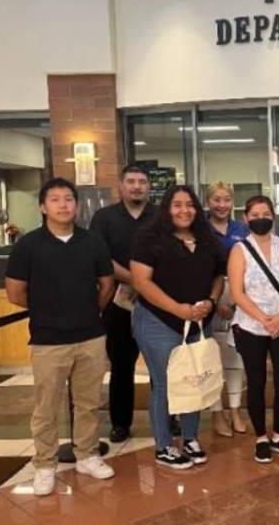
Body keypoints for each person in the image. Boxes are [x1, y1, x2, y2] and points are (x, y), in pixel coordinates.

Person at [5, 177, 116, 496]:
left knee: (89, 402)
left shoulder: (92, 241)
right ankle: (44, 464)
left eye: (68, 199)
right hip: (47, 340)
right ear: (43, 206)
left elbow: (107, 284)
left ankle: (87, 455)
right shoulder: (29, 245)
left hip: (90, 336)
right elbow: (15, 292)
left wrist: (88, 310)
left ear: (76, 205)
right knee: (46, 406)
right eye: (55, 199)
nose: (63, 204)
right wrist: (48, 310)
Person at [131, 185, 225, 469]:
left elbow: (218, 276)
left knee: (193, 378)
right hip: (159, 322)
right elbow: (141, 282)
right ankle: (163, 445)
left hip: (198, 322)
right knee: (164, 384)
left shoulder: (207, 239)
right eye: (177, 205)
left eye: (189, 205)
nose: (184, 210)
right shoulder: (149, 239)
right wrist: (177, 310)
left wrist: (211, 300)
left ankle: (190, 438)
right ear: (166, 209)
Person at [228, 195, 279, 463]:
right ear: (246, 218)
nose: (261, 218)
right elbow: (237, 293)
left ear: (274, 216)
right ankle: (260, 437)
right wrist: (264, 319)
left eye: (266, 213)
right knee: (256, 381)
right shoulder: (239, 250)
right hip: (250, 325)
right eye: (255, 214)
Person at [90, 164, 155, 443]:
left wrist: (147, 286)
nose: (137, 186)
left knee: (162, 365)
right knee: (121, 365)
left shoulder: (161, 217)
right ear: (121, 186)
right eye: (131, 181)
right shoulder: (104, 218)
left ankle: (169, 419)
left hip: (157, 303)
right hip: (118, 303)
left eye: (142, 182)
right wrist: (136, 280)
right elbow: (101, 258)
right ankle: (120, 423)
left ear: (149, 187)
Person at [205, 181, 249, 437]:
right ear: (208, 202)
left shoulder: (242, 230)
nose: (222, 205)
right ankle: (217, 413)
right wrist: (215, 302)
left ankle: (235, 409)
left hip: (240, 303)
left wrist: (238, 302)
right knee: (211, 360)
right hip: (209, 300)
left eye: (226, 200)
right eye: (216, 200)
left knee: (235, 359)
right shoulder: (200, 230)